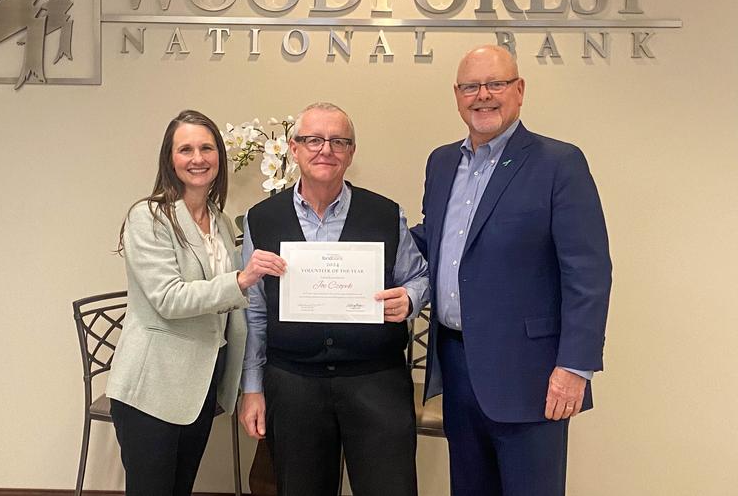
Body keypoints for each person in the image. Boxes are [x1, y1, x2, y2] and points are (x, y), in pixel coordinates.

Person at [411, 45, 612, 496]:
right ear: (457, 95)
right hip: (458, 367)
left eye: (495, 84)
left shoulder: (559, 163)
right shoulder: (442, 163)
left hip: (532, 375)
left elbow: (589, 273)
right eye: (470, 86)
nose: (482, 95)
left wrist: (574, 367)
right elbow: (433, 242)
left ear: (519, 90)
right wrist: (366, 248)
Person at [239, 102, 429, 496]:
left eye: (338, 141)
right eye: (313, 140)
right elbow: (255, 313)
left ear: (351, 152)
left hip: (376, 380)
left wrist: (409, 299)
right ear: (293, 149)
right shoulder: (261, 219)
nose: (325, 149)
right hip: (293, 384)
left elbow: (419, 276)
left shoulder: (386, 213)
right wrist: (253, 388)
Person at [105, 110, 286, 496]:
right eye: (185, 149)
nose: (197, 157)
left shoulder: (219, 222)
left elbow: (234, 307)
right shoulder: (149, 217)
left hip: (201, 386)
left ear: (219, 157)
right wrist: (240, 279)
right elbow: (168, 298)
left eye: (206, 147)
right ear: (169, 160)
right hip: (152, 387)